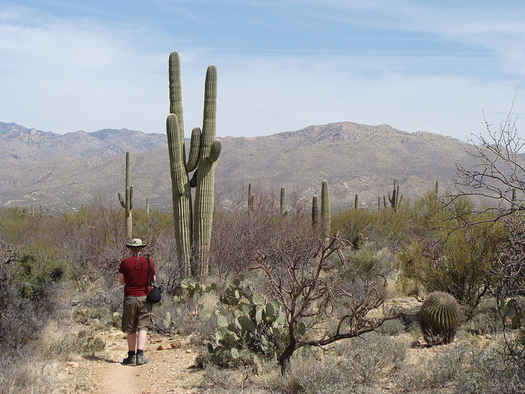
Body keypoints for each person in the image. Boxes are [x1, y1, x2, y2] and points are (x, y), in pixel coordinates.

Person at [119, 238, 156, 365]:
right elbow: (153, 279)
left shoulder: (125, 262)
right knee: (143, 326)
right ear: (141, 249)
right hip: (144, 297)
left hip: (130, 297)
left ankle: (131, 356)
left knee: (131, 327)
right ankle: (140, 355)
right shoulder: (148, 261)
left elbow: (121, 282)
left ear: (130, 249)